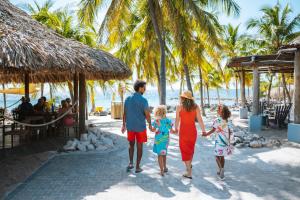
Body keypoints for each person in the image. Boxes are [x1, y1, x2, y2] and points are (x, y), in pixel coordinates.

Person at [174, 90, 206, 179]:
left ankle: (189, 172)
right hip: (192, 132)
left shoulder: (179, 107)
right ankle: (188, 168)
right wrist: (203, 131)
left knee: (184, 151)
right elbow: (200, 120)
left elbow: (177, 120)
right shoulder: (195, 106)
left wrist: (176, 129)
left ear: (183, 98)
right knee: (190, 150)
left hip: (183, 132)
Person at [121, 80, 152, 173]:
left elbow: (125, 113)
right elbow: (147, 114)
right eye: (144, 88)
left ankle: (131, 163)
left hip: (130, 126)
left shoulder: (127, 99)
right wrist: (150, 123)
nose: (145, 90)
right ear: (140, 88)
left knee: (131, 145)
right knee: (139, 146)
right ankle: (137, 167)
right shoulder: (143, 100)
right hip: (140, 128)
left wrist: (123, 125)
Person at [202, 105, 234, 180]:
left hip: (219, 141)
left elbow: (213, 130)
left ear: (221, 112)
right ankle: (221, 169)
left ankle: (221, 169)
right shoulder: (228, 121)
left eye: (218, 110)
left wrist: (206, 134)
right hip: (225, 141)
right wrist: (229, 141)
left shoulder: (217, 120)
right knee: (222, 156)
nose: (217, 111)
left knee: (216, 156)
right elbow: (230, 131)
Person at [150, 105, 174, 176]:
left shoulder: (156, 121)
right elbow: (171, 130)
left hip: (159, 139)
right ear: (164, 112)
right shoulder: (168, 121)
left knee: (159, 155)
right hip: (166, 139)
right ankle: (165, 167)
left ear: (156, 112)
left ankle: (161, 171)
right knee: (164, 153)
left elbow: (153, 130)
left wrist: (151, 128)